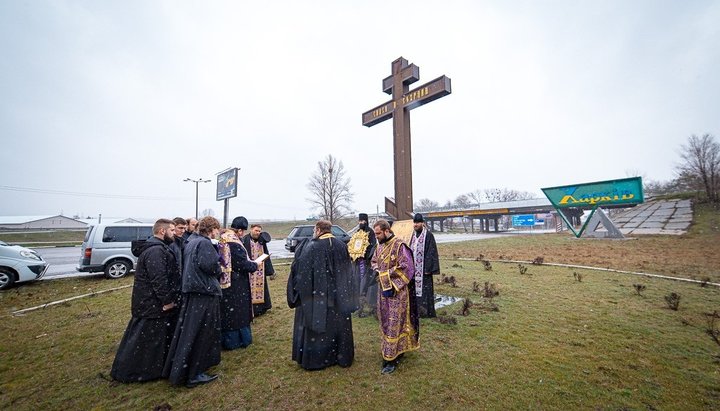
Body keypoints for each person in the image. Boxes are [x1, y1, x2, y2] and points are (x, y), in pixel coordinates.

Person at [110, 219, 179, 383]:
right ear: (162, 231)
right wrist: (167, 301)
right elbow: (159, 279)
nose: (174, 233)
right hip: (151, 304)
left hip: (148, 303)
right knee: (145, 341)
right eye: (172, 230)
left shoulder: (157, 248)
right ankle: (136, 372)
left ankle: (144, 370)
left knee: (146, 339)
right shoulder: (156, 251)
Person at [287, 220, 358, 370]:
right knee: (338, 326)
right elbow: (348, 273)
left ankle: (319, 359)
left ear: (318, 230)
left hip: (319, 298)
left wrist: (299, 293)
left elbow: (302, 275)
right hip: (339, 297)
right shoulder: (341, 245)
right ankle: (341, 356)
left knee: (319, 327)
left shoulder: (312, 247)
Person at [164, 216, 223, 388]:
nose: (218, 232)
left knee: (189, 333)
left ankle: (182, 369)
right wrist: (219, 266)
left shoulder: (191, 242)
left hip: (192, 291)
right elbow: (211, 266)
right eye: (216, 229)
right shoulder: (204, 243)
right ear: (212, 229)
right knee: (201, 333)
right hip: (203, 292)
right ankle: (193, 373)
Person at [371, 219, 419, 374]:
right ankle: (394, 350)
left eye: (378, 233)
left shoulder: (400, 246)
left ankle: (390, 359)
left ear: (386, 231)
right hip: (382, 293)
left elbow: (408, 268)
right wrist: (378, 271)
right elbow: (373, 262)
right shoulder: (379, 247)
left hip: (397, 293)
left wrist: (389, 279)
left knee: (395, 324)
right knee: (385, 321)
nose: (376, 236)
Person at [218, 217, 259, 350]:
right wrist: (254, 265)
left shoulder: (223, 237)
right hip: (236, 283)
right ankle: (237, 340)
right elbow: (241, 263)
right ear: (240, 231)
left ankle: (229, 338)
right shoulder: (233, 242)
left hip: (226, 282)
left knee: (229, 312)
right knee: (238, 312)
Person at [409, 213, 441, 318]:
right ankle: (417, 311)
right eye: (414, 222)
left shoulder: (428, 235)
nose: (415, 225)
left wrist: (428, 268)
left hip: (424, 270)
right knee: (414, 291)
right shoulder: (413, 236)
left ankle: (426, 312)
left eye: (418, 222)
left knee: (425, 291)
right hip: (414, 270)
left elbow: (431, 252)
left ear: (422, 223)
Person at [242, 223, 275, 317]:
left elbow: (266, 253)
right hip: (250, 269)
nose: (258, 233)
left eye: (259, 231)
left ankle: (261, 308)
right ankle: (251, 309)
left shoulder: (262, 241)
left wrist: (270, 271)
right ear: (251, 229)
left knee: (261, 289)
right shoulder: (245, 240)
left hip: (260, 269)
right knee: (250, 289)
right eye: (256, 230)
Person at [348, 213, 377, 318]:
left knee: (364, 285)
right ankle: (357, 307)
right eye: (359, 221)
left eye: (362, 221)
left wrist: (366, 255)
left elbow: (373, 246)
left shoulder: (371, 232)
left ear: (366, 221)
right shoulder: (357, 232)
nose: (361, 223)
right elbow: (352, 245)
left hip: (365, 263)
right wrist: (353, 255)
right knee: (356, 283)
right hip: (357, 263)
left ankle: (365, 307)